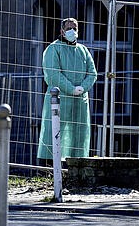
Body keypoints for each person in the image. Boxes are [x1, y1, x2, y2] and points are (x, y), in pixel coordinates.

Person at [37, 17, 97, 161]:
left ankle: (77, 169)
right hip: (60, 100)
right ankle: (49, 170)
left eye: (74, 28)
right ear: (62, 31)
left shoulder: (83, 50)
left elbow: (92, 73)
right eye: (69, 28)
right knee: (55, 134)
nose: (72, 31)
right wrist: (71, 89)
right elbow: (53, 75)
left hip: (80, 102)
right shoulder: (53, 49)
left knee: (79, 136)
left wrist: (83, 87)